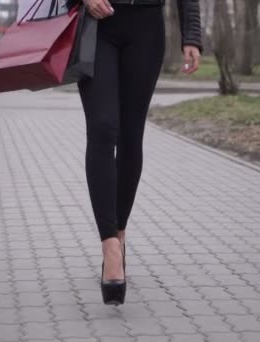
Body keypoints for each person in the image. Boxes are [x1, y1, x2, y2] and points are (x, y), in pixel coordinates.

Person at [77, 0, 202, 305]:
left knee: (131, 136)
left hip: (146, 27)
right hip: (97, 25)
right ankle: (109, 247)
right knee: (104, 128)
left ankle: (119, 233)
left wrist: (192, 35)